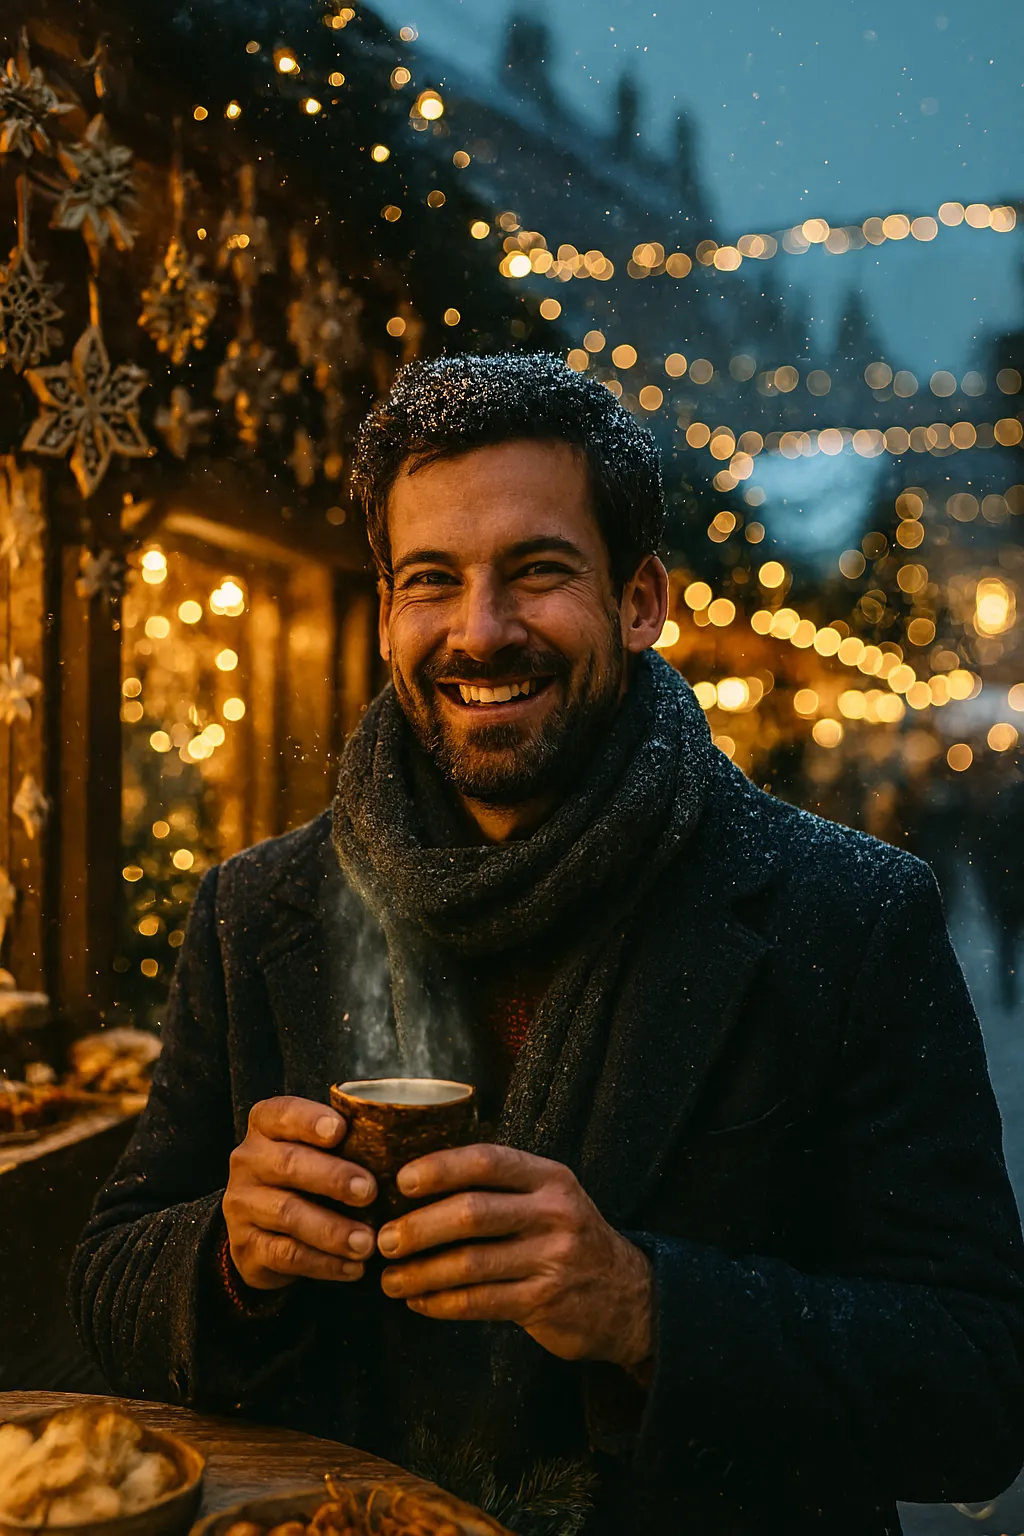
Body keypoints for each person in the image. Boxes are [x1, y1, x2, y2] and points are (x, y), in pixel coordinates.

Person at [71, 354, 1024, 1535]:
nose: (480, 631)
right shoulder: (256, 909)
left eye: (536, 572)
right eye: (431, 580)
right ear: (388, 614)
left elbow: (977, 1384)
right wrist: (229, 1254)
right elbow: (108, 1280)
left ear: (640, 602)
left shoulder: (845, 914)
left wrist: (643, 1307)